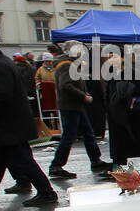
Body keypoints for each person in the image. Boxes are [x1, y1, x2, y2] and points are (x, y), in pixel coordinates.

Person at [0, 36, 57, 206]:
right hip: (6, 124)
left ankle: (46, 191)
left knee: (20, 160)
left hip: (7, 125)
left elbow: (2, 96)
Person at [48, 43, 112, 180]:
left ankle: (96, 160)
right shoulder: (67, 65)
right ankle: (56, 165)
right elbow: (66, 85)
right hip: (71, 106)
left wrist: (84, 93)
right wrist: (83, 96)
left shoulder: (69, 64)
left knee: (88, 134)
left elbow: (71, 84)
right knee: (69, 136)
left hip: (75, 105)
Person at [106, 55, 140, 174]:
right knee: (118, 138)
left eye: (113, 56)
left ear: (121, 58)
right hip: (117, 110)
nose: (110, 59)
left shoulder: (132, 72)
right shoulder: (112, 73)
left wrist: (132, 101)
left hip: (133, 111)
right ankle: (117, 163)